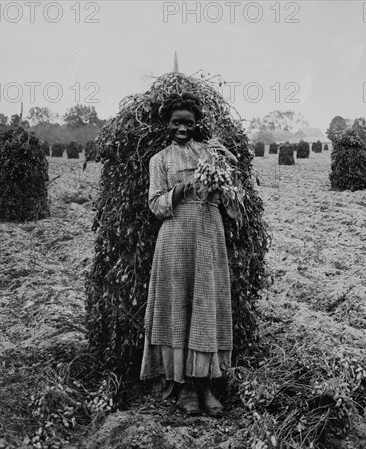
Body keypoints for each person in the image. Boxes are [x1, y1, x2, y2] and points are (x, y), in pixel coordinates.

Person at [140, 92, 238, 416]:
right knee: (178, 309)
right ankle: (182, 389)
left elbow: (229, 192)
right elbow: (155, 205)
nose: (182, 128)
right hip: (175, 239)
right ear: (167, 124)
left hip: (208, 236)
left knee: (205, 308)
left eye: (188, 122)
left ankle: (206, 388)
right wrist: (179, 190)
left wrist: (224, 171)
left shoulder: (209, 153)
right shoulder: (160, 160)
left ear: (197, 124)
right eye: (176, 122)